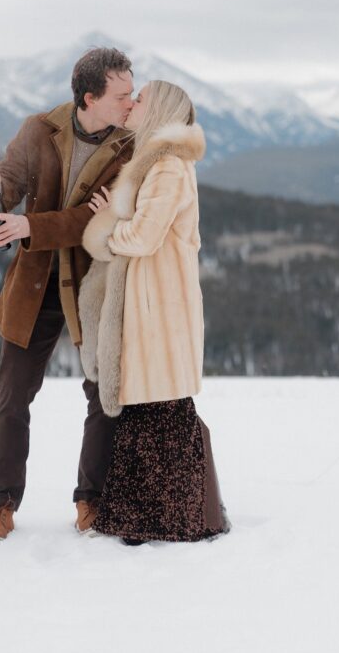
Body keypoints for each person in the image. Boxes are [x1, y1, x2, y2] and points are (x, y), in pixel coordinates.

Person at [0, 47, 135, 543]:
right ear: (90, 98)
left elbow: (91, 218)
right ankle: (1, 507)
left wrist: (28, 224)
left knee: (102, 396)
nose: (132, 102)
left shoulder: (130, 147)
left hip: (94, 284)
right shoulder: (39, 129)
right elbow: (8, 192)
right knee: (13, 395)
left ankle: (91, 502)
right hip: (36, 284)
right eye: (122, 95)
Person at [78, 80, 230, 544]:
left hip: (159, 305)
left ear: (159, 108)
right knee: (152, 407)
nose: (133, 103)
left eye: (141, 98)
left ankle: (173, 516)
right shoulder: (158, 162)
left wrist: (111, 230)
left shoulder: (167, 166)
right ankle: (158, 516)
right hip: (153, 302)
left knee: (161, 406)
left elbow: (143, 237)